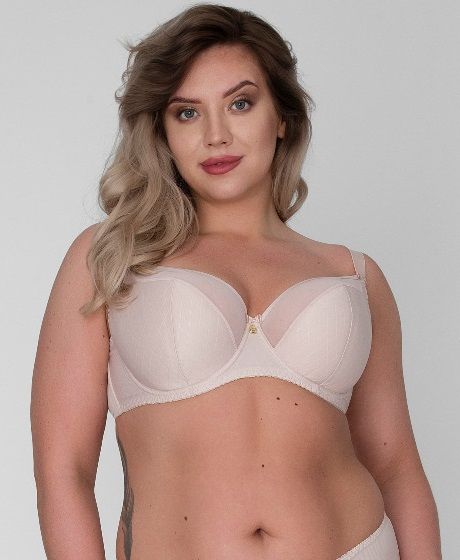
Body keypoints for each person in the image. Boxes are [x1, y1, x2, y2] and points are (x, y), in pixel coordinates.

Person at [30, 4, 442, 559]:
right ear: (163, 132)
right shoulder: (110, 257)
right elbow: (64, 470)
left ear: (283, 117)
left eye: (241, 103)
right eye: (187, 113)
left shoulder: (354, 276)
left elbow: (396, 467)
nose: (216, 135)